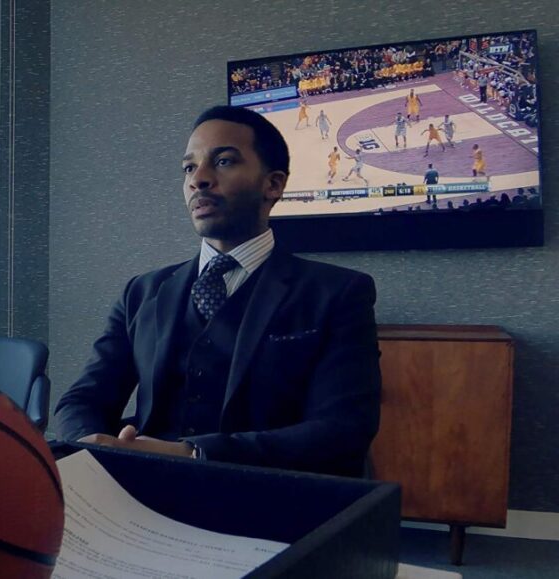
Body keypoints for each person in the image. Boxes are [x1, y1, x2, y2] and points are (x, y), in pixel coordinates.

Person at [53, 105, 382, 478]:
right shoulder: (141, 293)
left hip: (268, 497)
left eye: (223, 162)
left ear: (273, 185)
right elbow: (82, 400)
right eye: (188, 168)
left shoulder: (338, 293)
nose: (199, 179)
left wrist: (193, 454)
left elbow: (342, 431)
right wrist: (93, 448)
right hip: (142, 491)